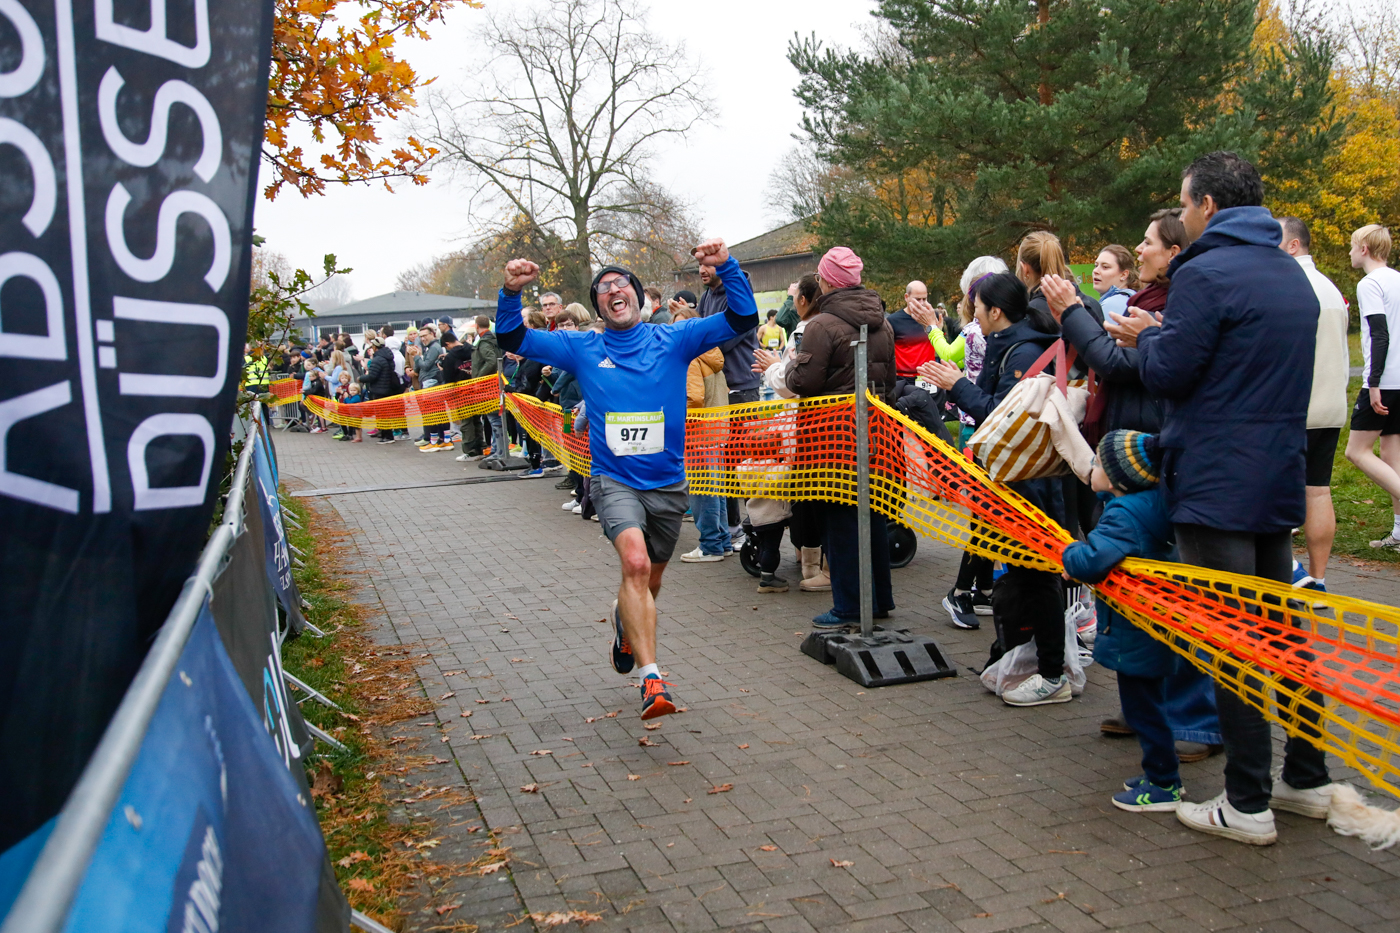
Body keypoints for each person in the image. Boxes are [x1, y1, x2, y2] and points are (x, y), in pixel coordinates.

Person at [1107, 150, 1331, 845]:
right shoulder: (1291, 274)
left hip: (1214, 482)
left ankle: (1247, 801)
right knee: (1283, 632)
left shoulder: (1203, 273)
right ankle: (1306, 776)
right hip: (1276, 474)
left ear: (1206, 206)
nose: (1182, 215)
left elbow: (1172, 373)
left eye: (1183, 203)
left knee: (1231, 642)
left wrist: (1149, 338)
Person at [493, 239, 759, 719]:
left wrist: (728, 267)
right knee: (634, 564)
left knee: (650, 580)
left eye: (622, 284)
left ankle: (624, 624)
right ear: (598, 306)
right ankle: (651, 679)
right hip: (614, 480)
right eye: (604, 288)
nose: (614, 290)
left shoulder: (674, 339)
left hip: (668, 484)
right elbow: (513, 338)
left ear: (638, 295)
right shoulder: (583, 347)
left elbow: (743, 319)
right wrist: (511, 292)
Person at [1048, 211, 1221, 760]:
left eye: (1148, 243)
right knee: (1133, 594)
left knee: (1176, 596)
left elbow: (1120, 365)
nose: (1138, 250)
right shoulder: (1149, 303)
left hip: (1157, 458)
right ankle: (1145, 703)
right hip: (1133, 456)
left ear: (1174, 252)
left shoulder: (1181, 303)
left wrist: (1073, 314)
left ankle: (1195, 721)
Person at [921, 273, 1069, 705]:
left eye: (977, 308)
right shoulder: (1005, 346)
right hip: (1012, 481)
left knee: (1037, 578)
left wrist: (956, 385)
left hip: (1031, 484)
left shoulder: (1023, 351)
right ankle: (1012, 658)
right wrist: (959, 383)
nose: (973, 316)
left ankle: (1052, 673)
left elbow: (1001, 417)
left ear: (996, 311)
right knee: (1018, 578)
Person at [1063, 431, 1180, 812]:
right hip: (1155, 625)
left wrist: (1070, 554)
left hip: (1134, 630)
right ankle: (1159, 775)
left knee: (1143, 710)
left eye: (1097, 463)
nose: (1091, 466)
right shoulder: (1149, 504)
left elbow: (1094, 561)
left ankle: (1163, 784)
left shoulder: (1123, 516)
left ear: (1117, 479)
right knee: (1153, 703)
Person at [787, 246, 897, 628]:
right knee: (872, 515)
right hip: (876, 433)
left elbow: (805, 382)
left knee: (840, 520)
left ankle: (849, 606)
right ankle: (878, 598)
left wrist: (789, 369)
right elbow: (890, 383)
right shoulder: (884, 324)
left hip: (831, 438)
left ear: (828, 281)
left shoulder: (821, 326)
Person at [1278, 216, 1349, 590]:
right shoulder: (1331, 289)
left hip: (1294, 406)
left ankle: (1288, 568)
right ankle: (1319, 579)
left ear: (1294, 245)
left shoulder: (1288, 285)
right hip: (1330, 404)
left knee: (1272, 488)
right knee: (1318, 490)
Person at [754, 272, 829, 592]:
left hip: (804, 428)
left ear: (802, 300)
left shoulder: (805, 331)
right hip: (824, 427)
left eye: (795, 296)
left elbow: (791, 383)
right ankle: (811, 561)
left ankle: (811, 563)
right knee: (815, 498)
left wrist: (773, 366)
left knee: (807, 499)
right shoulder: (830, 326)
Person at [1343, 225, 1400, 551]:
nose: (1350, 252)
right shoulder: (1397, 279)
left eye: (1352, 246)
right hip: (1399, 381)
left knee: (1356, 451)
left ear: (1364, 248)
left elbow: (1380, 334)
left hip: (1383, 381)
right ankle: (1399, 534)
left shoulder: (1370, 283)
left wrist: (1374, 383)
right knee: (1392, 455)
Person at [671, 304, 731, 562]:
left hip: (698, 434)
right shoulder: (711, 354)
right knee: (715, 488)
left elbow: (693, 398)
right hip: (717, 431)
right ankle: (723, 541)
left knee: (702, 491)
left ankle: (710, 545)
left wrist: (677, 419)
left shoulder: (691, 359)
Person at [469, 315, 502, 464]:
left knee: (494, 419)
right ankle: (496, 449)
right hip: (494, 383)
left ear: (477, 326)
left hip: (487, 385)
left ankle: (498, 451)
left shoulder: (484, 342)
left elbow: (491, 361)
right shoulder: (493, 339)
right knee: (495, 419)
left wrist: (479, 377)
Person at [890, 280, 939, 379]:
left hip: (928, 376)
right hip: (902, 377)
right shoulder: (893, 320)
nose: (921, 303)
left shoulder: (933, 317)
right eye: (917, 299)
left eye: (924, 299)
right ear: (906, 297)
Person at [1091, 245, 1139, 318]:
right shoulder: (1131, 299)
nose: (1095, 271)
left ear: (1123, 275)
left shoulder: (1112, 304)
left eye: (1105, 267)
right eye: (1096, 265)